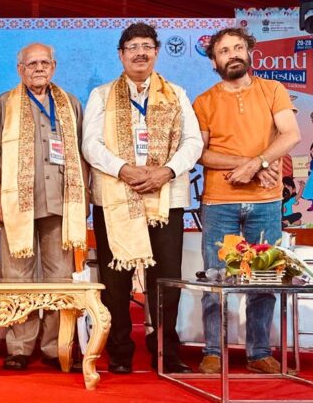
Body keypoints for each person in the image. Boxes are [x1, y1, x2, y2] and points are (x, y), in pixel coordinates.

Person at [82, 22, 203, 374]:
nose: (140, 53)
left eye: (146, 46)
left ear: (156, 52)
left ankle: (166, 350)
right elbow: (91, 144)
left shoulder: (176, 94)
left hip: (166, 197)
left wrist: (167, 171)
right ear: (121, 55)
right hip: (115, 197)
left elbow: (193, 142)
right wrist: (122, 169)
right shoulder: (102, 95)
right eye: (132, 47)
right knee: (115, 279)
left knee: (165, 280)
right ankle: (119, 351)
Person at [193, 27, 300, 375]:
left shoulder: (273, 90)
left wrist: (259, 164)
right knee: (216, 277)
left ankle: (259, 352)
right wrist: (250, 165)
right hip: (219, 201)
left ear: (249, 52)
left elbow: (291, 134)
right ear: (214, 61)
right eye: (224, 51)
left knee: (264, 278)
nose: (233, 55)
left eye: (238, 47)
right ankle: (213, 351)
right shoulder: (204, 101)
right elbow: (201, 153)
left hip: (267, 200)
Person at [0, 43, 88, 371]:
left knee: (59, 278)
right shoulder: (4, 103)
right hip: (16, 204)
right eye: (31, 64)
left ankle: (55, 346)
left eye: (44, 63)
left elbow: (84, 153)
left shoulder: (70, 103)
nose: (38, 68)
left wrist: (83, 197)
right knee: (17, 277)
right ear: (20, 69)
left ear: (53, 66)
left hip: (61, 204)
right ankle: (20, 346)